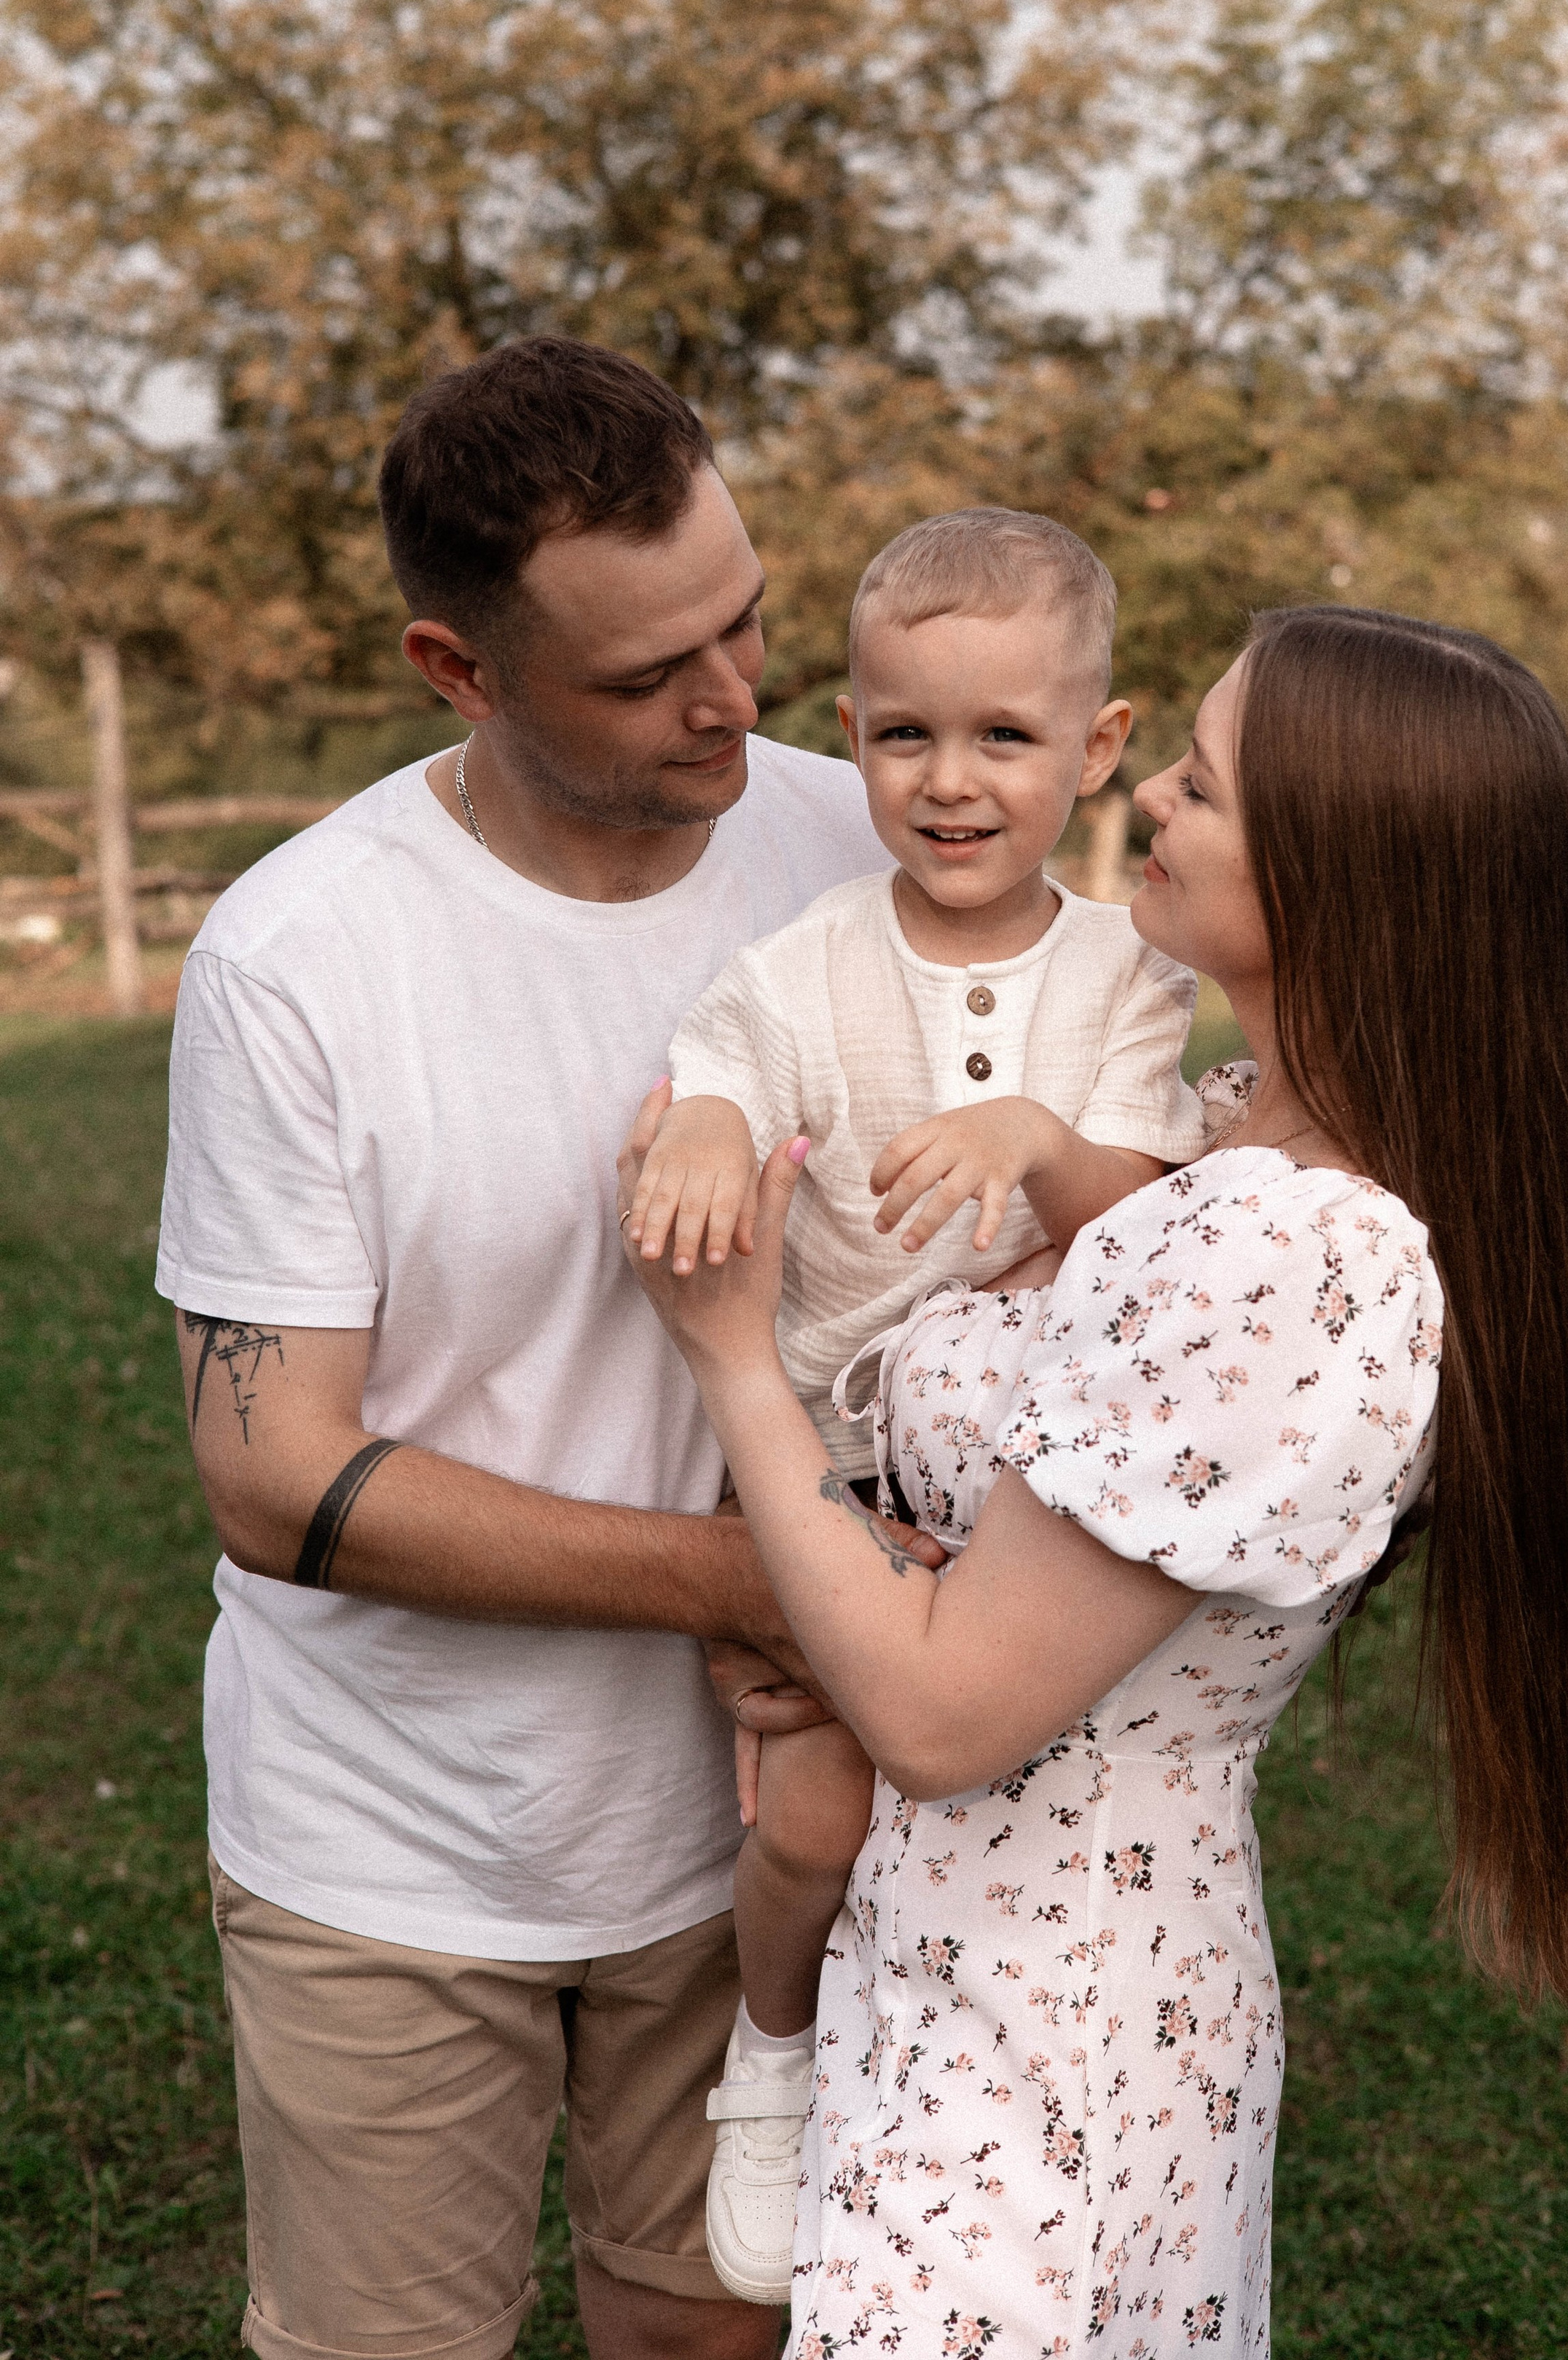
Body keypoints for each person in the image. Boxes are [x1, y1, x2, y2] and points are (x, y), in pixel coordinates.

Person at [621, 603, 1568, 2356]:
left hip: (1049, 2026)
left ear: (1342, 873)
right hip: (980, 1965)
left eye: (1200, 781)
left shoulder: (1284, 1253)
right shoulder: (1228, 1132)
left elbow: (952, 1716)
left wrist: (733, 1358)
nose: (1155, 807)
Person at [157, 336, 924, 2360]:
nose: (735, 699)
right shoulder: (300, 959)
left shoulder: (871, 851)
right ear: (458, 671)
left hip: (762, 1824)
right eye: (647, 674)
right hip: (397, 1844)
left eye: (748, 622)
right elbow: (273, 1474)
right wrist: (756, 1583)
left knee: (716, 2333)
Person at [632, 511, 1207, 2301]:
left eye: (1003, 739)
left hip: (1027, 1493)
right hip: (828, 1465)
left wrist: (1040, 1144)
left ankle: (996, 2137)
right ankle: (777, 2057)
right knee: (810, 1819)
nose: (948, 784)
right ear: (851, 725)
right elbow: (714, 1071)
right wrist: (716, 1123)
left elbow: (1146, 1215)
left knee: (977, 1827)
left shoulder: (1125, 978)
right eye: (901, 736)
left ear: (1096, 750)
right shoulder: (807, 961)